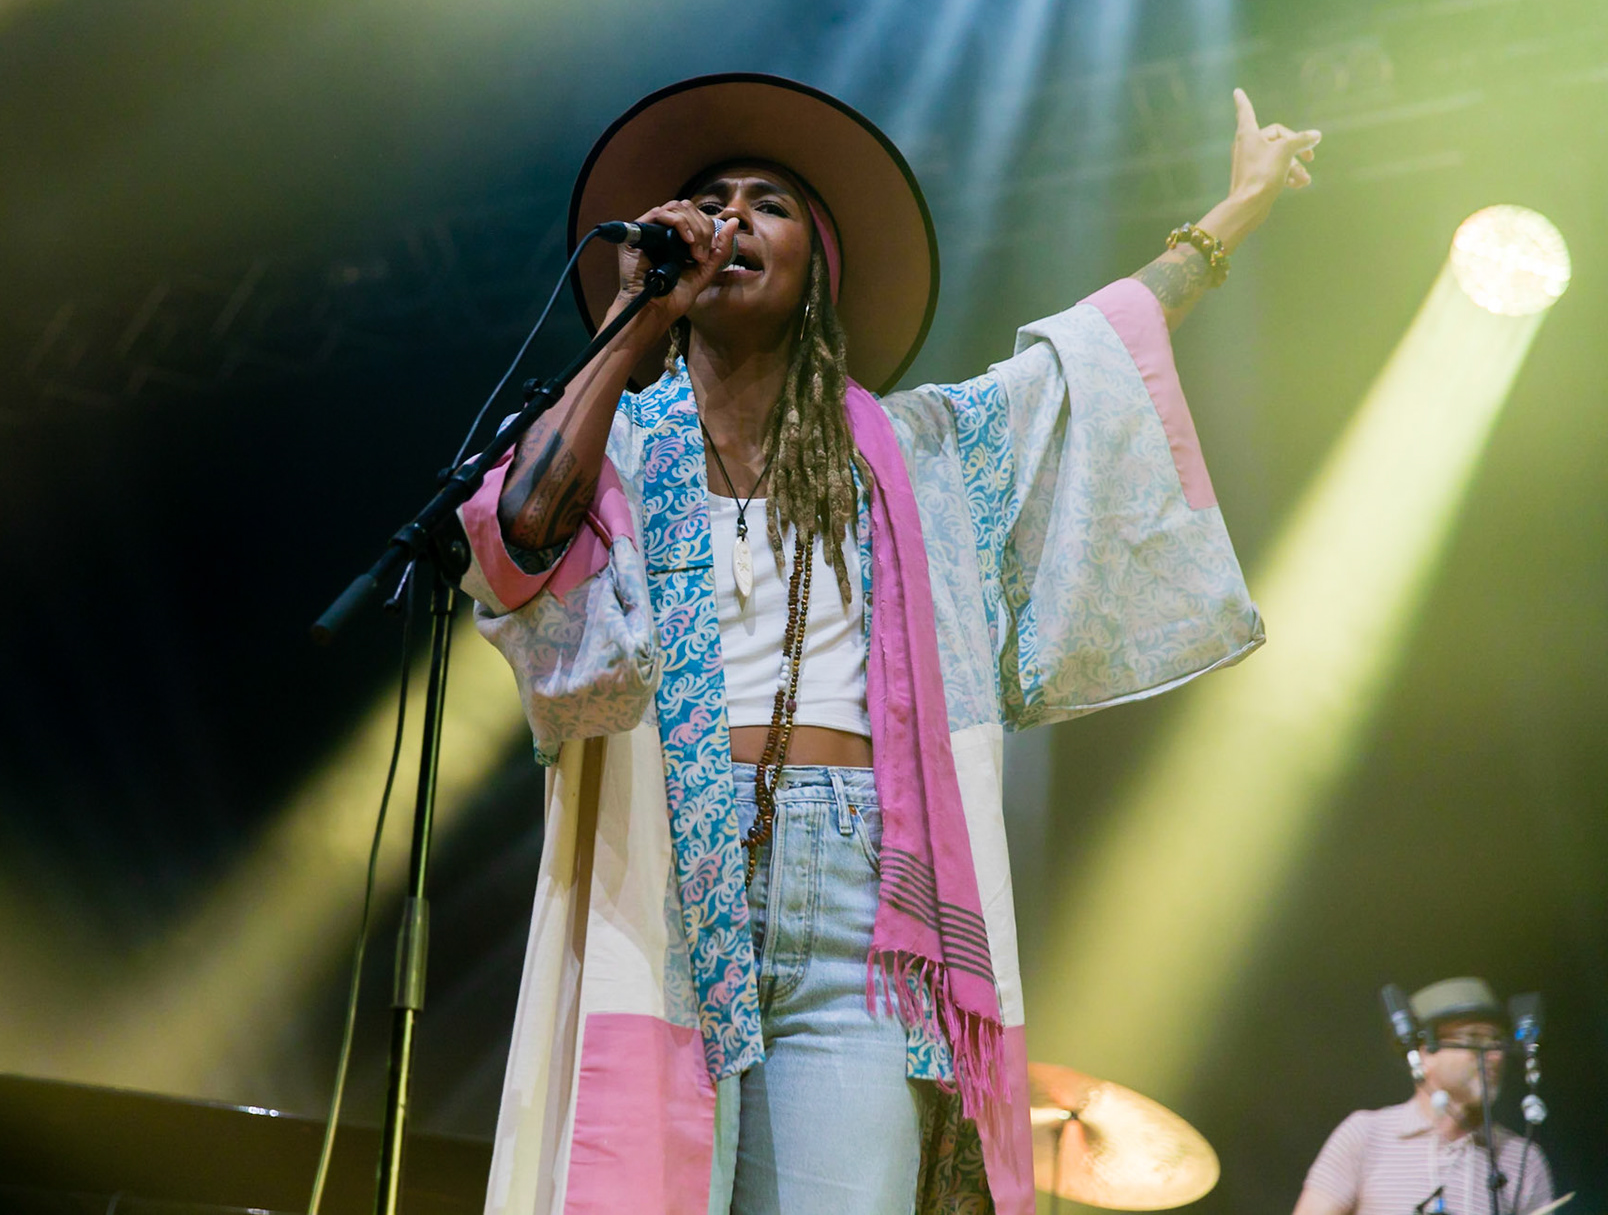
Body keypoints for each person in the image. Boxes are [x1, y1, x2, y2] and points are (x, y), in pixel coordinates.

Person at [457, 73, 1316, 1215]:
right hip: (667, 872)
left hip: (862, 898)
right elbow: (518, 536)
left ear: (820, 270)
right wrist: (633, 323)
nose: (728, 219)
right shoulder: (617, 447)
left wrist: (1229, 219)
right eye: (708, 200)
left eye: (767, 204)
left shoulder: (919, 448)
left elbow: (1081, 368)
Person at [1294, 978, 1555, 1215]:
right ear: (1424, 1054)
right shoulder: (1366, 1134)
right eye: (1473, 1038)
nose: (1494, 1055)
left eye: (1497, 1041)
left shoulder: (1524, 1159)